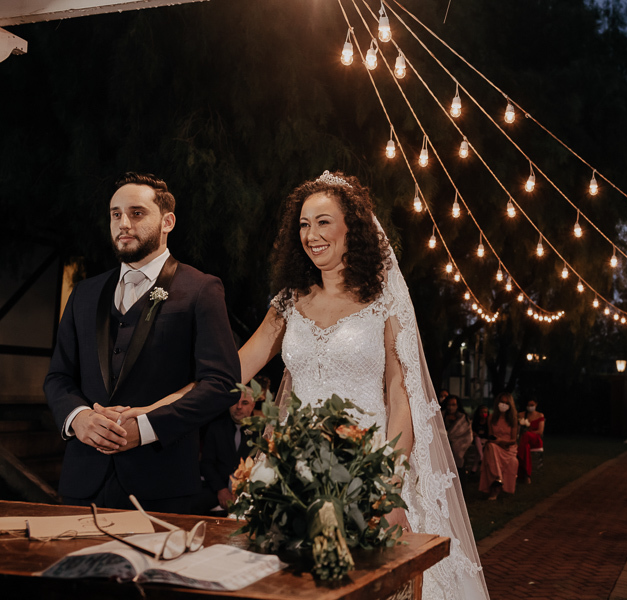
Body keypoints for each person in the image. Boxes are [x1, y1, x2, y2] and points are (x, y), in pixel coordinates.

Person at [236, 171, 489, 600]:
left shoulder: (384, 302)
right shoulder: (288, 303)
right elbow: (234, 367)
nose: (311, 235)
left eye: (323, 222)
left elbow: (400, 396)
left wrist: (387, 489)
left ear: (352, 228)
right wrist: (156, 406)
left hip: (367, 469)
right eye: (304, 224)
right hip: (294, 470)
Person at [44, 172, 240, 514]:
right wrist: (78, 418)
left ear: (167, 222)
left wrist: (147, 427)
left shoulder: (201, 289)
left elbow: (222, 383)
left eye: (137, 213)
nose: (123, 223)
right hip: (82, 483)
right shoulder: (85, 293)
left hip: (162, 484)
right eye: (115, 214)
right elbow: (58, 377)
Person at [194, 389, 256, 514]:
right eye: (235, 402)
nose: (239, 407)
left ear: (253, 405)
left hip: (250, 491)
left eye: (244, 403)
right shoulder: (215, 427)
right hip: (217, 488)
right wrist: (221, 489)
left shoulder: (260, 431)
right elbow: (206, 463)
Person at [479, 393, 519, 500]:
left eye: (506, 403)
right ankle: (497, 479)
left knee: (492, 449)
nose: (503, 405)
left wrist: (502, 441)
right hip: (495, 445)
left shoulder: (513, 420)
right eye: (502, 402)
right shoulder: (491, 418)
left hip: (508, 447)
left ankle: (497, 482)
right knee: (491, 447)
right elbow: (490, 435)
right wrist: (497, 442)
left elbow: (513, 440)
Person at [517, 399, 545, 483]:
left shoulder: (540, 415)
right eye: (528, 405)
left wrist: (529, 432)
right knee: (526, 447)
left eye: (532, 405)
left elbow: (540, 431)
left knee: (526, 435)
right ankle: (527, 475)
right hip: (525, 442)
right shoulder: (521, 415)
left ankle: (519, 456)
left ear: (536, 404)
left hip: (535, 439)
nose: (530, 407)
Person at [443, 395, 473, 471]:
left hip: (459, 449)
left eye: (453, 405)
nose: (451, 407)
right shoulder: (440, 416)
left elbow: (467, 435)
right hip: (443, 448)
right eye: (449, 404)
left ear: (457, 405)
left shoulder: (463, 418)